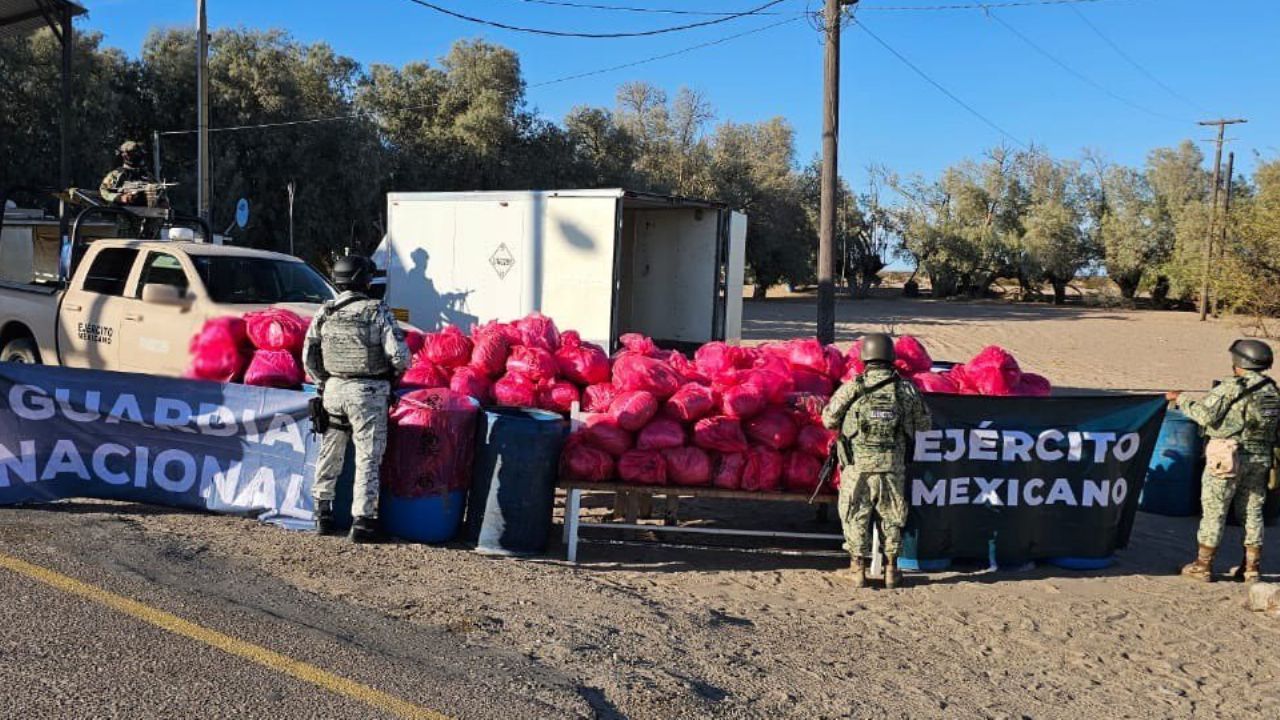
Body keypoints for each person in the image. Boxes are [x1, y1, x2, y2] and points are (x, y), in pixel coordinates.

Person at [303, 255, 410, 543]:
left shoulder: (324, 312)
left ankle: (321, 514)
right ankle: (362, 522)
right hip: (368, 393)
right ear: (364, 280)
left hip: (334, 390)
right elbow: (401, 357)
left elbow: (309, 358)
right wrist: (392, 378)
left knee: (330, 452)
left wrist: (324, 383)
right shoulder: (376, 311)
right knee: (368, 456)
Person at [822, 334, 932, 590]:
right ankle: (892, 570)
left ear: (865, 357)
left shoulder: (853, 387)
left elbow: (829, 420)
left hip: (857, 466)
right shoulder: (905, 389)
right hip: (892, 465)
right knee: (892, 516)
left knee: (855, 513)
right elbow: (925, 424)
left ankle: (857, 569)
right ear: (891, 357)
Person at [1169, 339, 1279, 583]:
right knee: (1252, 511)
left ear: (1239, 362)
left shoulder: (1230, 387)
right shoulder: (1272, 390)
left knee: (1214, 510)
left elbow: (1205, 415)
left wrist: (1181, 399)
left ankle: (1203, 565)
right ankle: (1251, 567)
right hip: (1260, 459)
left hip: (1227, 457)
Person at [99, 141, 156, 206]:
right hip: (123, 213)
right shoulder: (116, 174)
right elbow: (104, 191)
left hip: (147, 213)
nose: (138, 156)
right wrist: (121, 198)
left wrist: (162, 201)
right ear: (125, 156)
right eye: (134, 154)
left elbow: (158, 191)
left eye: (138, 153)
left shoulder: (147, 175)